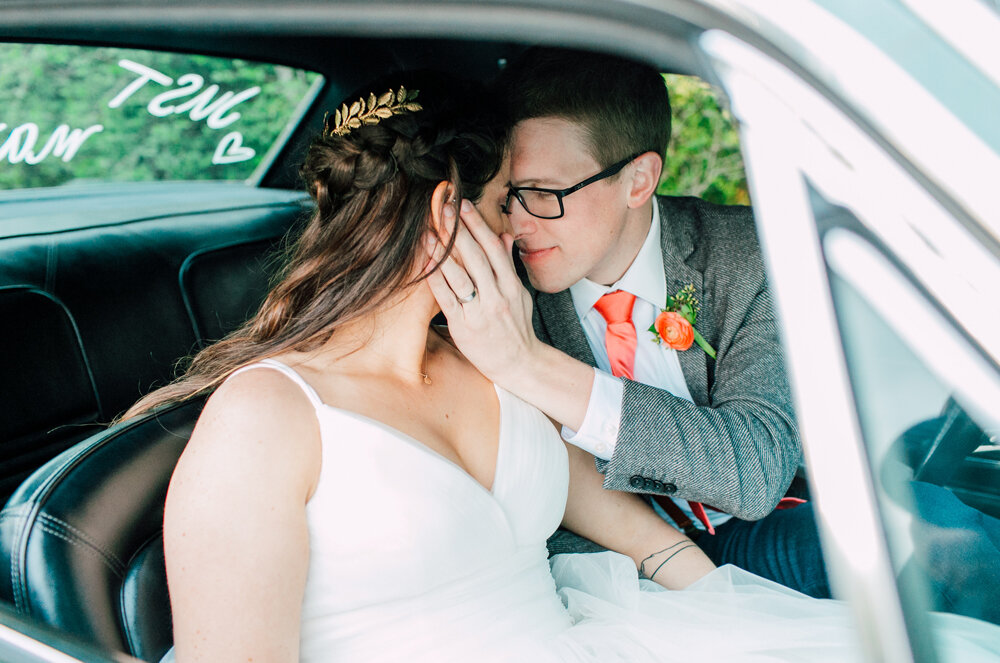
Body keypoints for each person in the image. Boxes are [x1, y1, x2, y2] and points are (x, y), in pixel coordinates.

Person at [138, 72, 1000, 663]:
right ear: (449, 213)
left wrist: (748, 623)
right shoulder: (264, 418)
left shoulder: (489, 362)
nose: (518, 228)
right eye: (499, 204)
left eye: (531, 199)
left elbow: (661, 535)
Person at [424, 46, 828, 597]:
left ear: (639, 180)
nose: (515, 225)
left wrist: (531, 365)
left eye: (543, 194)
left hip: (760, 526)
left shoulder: (748, 256)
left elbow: (754, 470)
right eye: (508, 195)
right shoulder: (494, 281)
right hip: (600, 559)